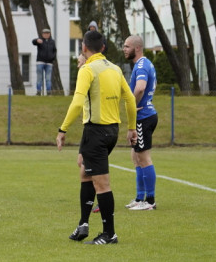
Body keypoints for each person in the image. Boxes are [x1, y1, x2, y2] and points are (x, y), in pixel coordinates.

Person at [56, 30, 137, 245]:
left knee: (102, 183)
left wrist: (62, 129)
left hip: (96, 132)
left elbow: (76, 102)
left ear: (84, 48)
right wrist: (131, 128)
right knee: (84, 171)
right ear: (103, 48)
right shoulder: (115, 69)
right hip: (111, 131)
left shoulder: (88, 69)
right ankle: (83, 224)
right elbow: (129, 99)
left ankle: (109, 234)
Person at [122, 35, 157, 211]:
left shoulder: (142, 65)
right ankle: (139, 198)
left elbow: (141, 87)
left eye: (127, 46)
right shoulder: (142, 64)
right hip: (143, 116)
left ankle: (149, 201)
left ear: (137, 48)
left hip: (144, 116)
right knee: (136, 158)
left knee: (143, 158)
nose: (124, 49)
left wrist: (133, 106)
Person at [31, 28, 56, 96]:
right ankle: (38, 91)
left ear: (49, 34)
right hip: (40, 62)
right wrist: (36, 40)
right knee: (39, 78)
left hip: (49, 63)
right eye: (45, 33)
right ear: (42, 34)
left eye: (47, 33)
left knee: (48, 78)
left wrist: (52, 58)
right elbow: (33, 42)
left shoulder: (52, 42)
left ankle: (48, 92)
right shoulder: (40, 41)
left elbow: (54, 51)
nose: (46, 34)